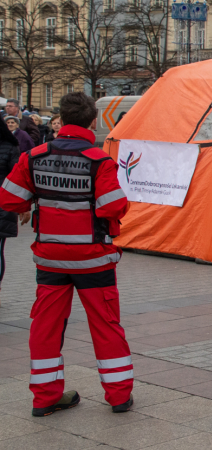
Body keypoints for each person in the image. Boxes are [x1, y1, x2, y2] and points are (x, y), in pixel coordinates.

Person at [0, 92, 133, 416]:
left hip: (50, 258)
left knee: (45, 327)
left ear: (62, 118)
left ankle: (45, 397)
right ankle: (118, 396)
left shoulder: (35, 156)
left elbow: (9, 199)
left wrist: (37, 201)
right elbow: (114, 206)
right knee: (105, 326)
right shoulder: (99, 160)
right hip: (92, 259)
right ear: (92, 121)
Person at [0, 121, 20, 305]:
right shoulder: (11, 146)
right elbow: (16, 177)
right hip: (3, 204)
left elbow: (16, 177)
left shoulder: (10, 145)